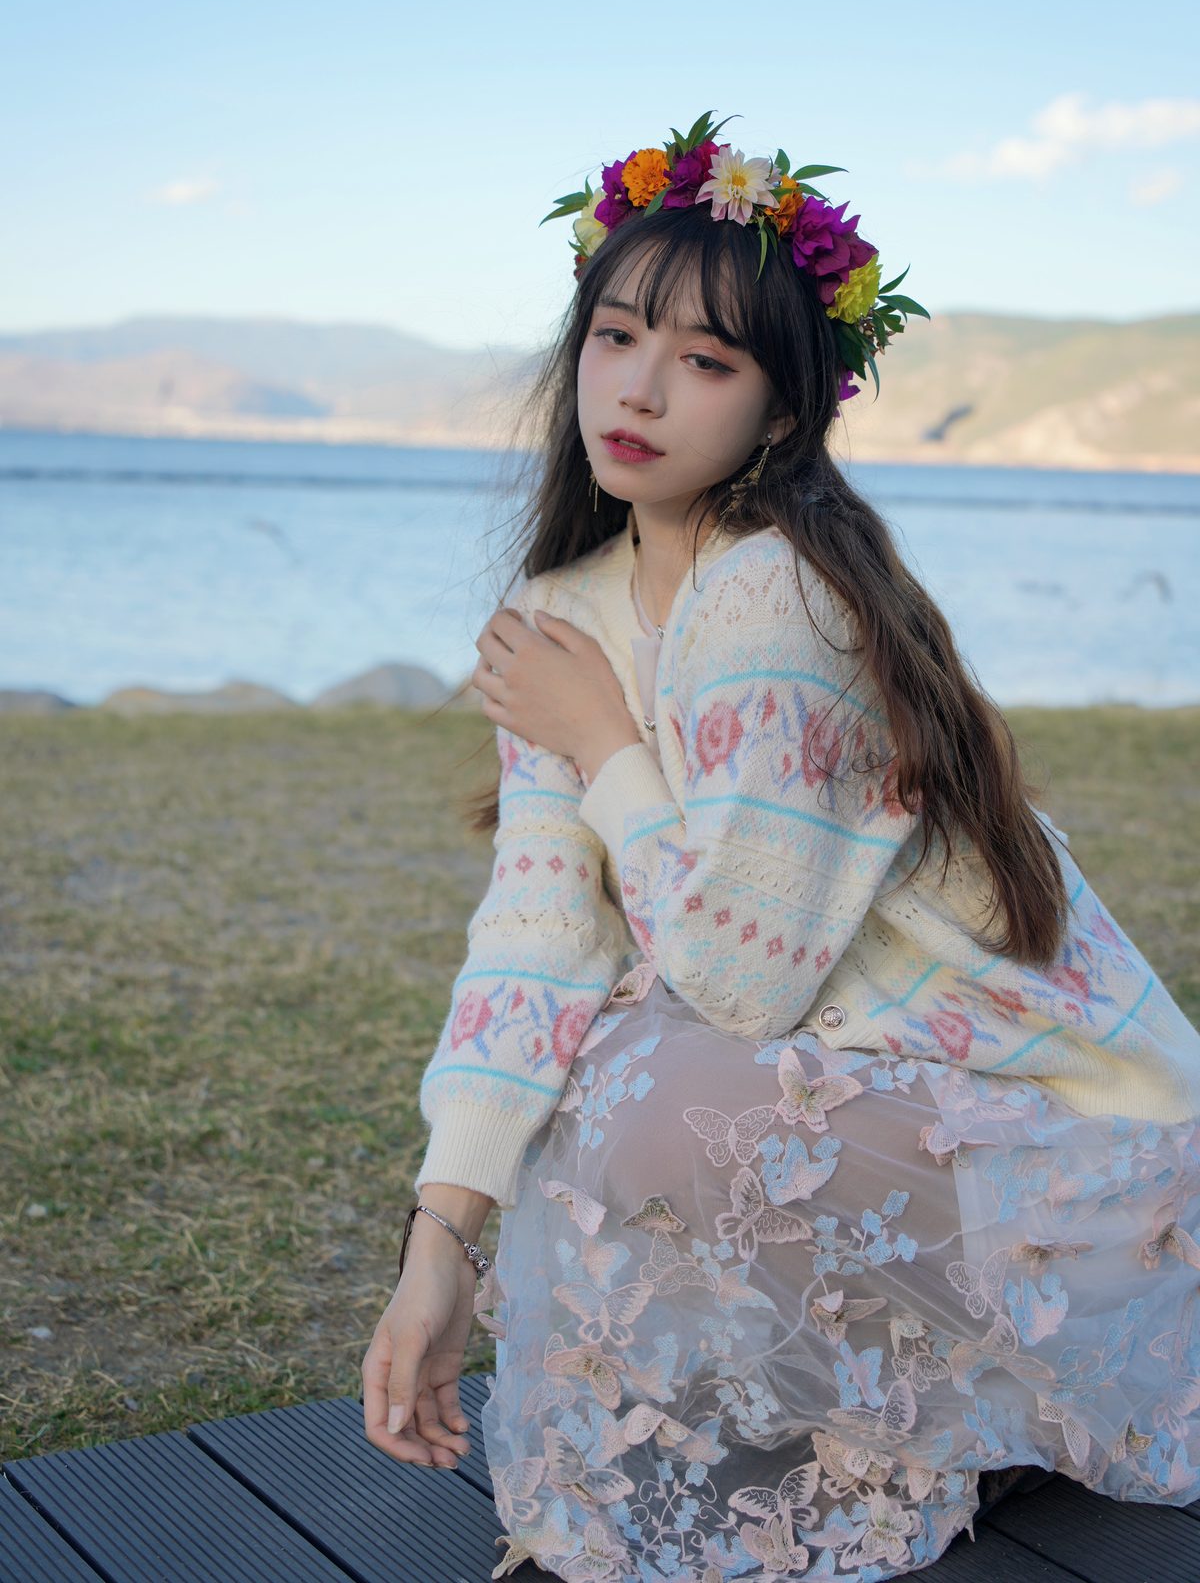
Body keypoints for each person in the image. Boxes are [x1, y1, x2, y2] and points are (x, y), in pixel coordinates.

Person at [361, 112, 1200, 1582]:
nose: (640, 389)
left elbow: (740, 978)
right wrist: (438, 1242)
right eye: (618, 337)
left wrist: (606, 743)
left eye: (708, 361)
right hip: (864, 1084)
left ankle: (944, 1414)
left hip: (1059, 1129)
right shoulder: (564, 608)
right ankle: (902, 1411)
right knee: (597, 1067)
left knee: (652, 1087)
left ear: (780, 414)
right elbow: (538, 939)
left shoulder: (777, 598)